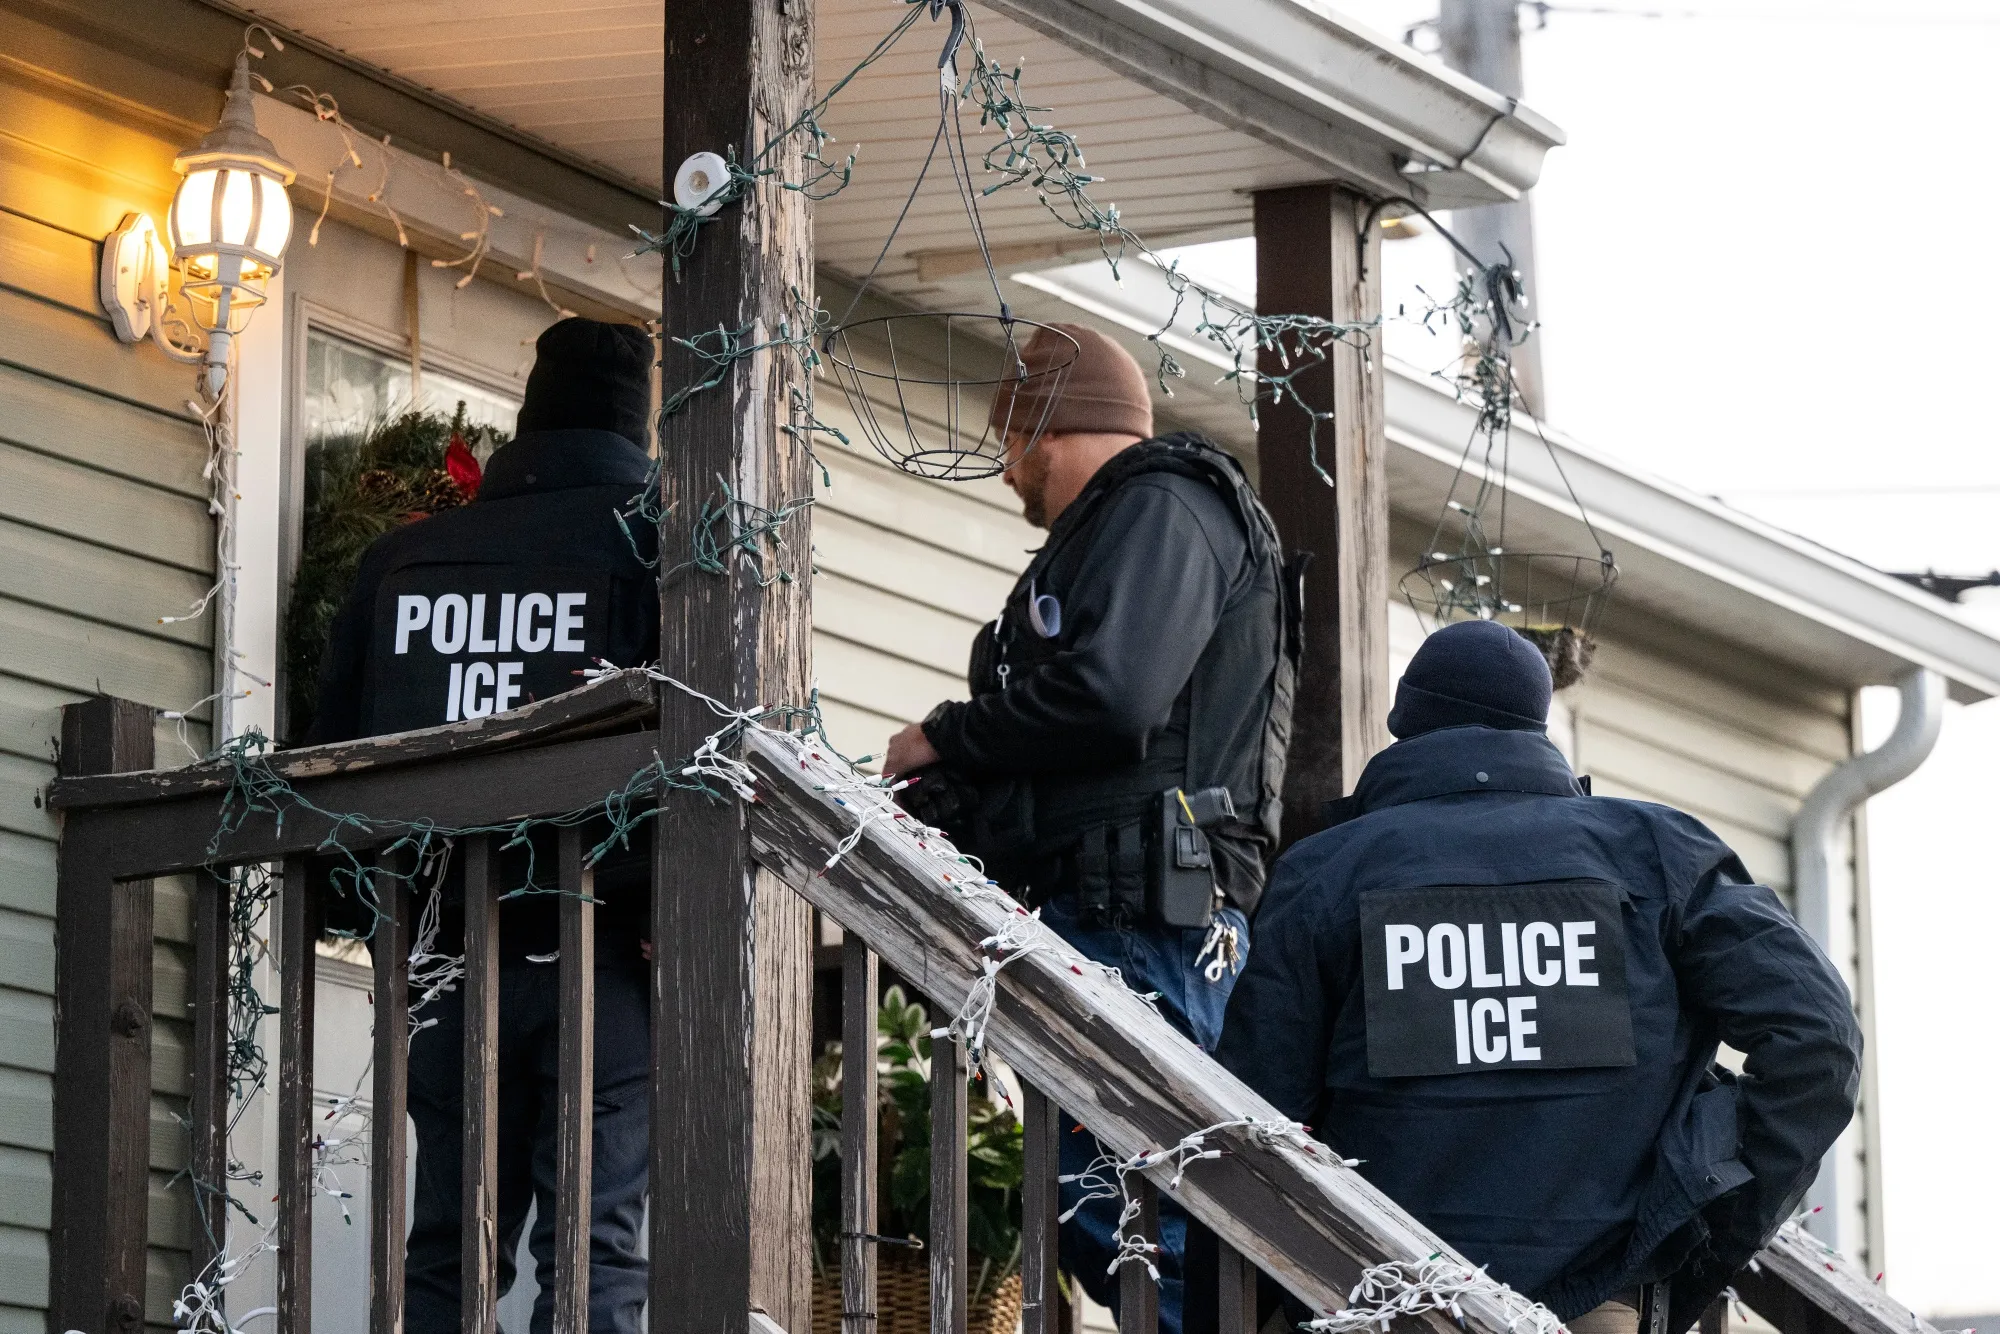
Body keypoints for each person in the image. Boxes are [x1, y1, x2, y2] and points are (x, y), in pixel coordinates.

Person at [1203, 618, 1861, 1334]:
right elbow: (1819, 1040)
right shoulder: (1657, 852)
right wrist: (1702, 1218)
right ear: (1537, 725)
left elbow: (1253, 1115)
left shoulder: (1327, 870)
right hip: (1594, 1305)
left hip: (1381, 1297)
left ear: (1404, 722)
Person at [883, 322, 1297, 1334]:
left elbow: (1113, 698)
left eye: (1009, 444)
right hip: (1109, 915)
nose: (1007, 474)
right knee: (1105, 1210)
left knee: (1142, 1217)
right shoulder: (1130, 525)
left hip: (1141, 919)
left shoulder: (1165, 505)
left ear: (1046, 428)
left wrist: (947, 735)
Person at [305, 317, 660, 1334]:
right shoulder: (661, 549)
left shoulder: (404, 561)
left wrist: (363, 914)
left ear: (529, 419)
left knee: (449, 1253)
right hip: (605, 950)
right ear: (636, 425)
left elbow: (331, 760)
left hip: (448, 952)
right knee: (592, 1253)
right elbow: (702, 747)